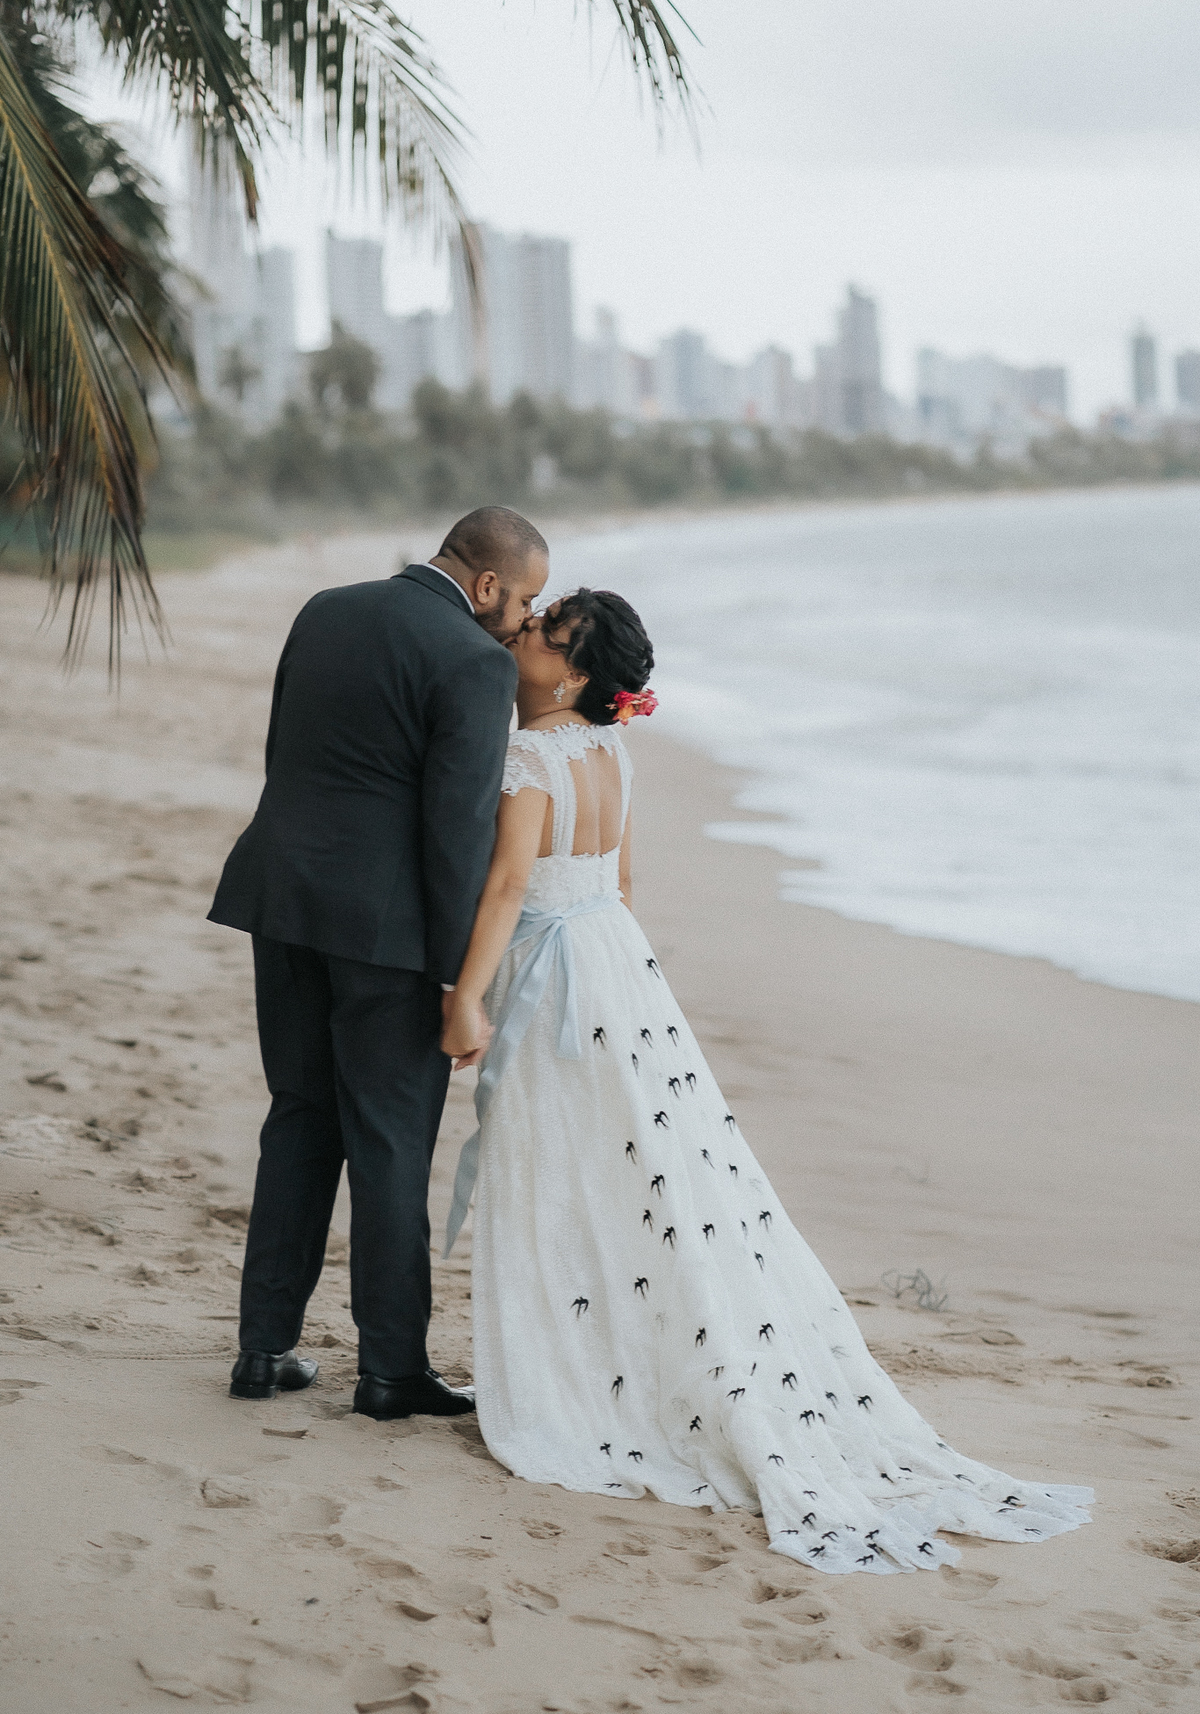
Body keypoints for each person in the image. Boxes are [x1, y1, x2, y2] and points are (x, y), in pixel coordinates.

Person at [439, 588, 1093, 1575]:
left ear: (572, 670)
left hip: (557, 976)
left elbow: (508, 885)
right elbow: (619, 888)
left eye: (544, 630)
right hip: (619, 968)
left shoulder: (530, 756)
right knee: (651, 1175)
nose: (525, 633)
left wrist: (468, 995)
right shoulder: (614, 755)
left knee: (566, 1169)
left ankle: (573, 1381)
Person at [208, 507, 548, 1418]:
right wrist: (456, 980)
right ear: (486, 585)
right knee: (391, 1149)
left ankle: (261, 1348)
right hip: (388, 936)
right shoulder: (476, 663)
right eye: (523, 600)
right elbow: (458, 831)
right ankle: (391, 1370)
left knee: (300, 1116)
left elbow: (286, 752)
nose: (523, 623)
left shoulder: (327, 607)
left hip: (283, 898)